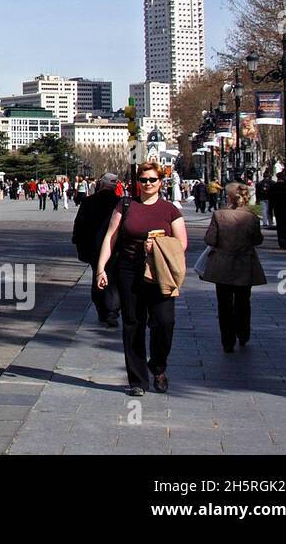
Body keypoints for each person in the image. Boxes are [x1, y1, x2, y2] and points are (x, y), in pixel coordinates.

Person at [97, 162, 188, 397]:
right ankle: (137, 380)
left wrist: (159, 246)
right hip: (129, 271)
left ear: (161, 182)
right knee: (133, 323)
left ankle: (158, 366)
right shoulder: (125, 205)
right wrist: (101, 269)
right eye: (144, 180)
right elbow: (111, 237)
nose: (148, 184)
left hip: (160, 273)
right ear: (138, 182)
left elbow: (182, 243)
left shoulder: (170, 210)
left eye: (152, 180)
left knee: (164, 322)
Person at [201, 182, 266, 353]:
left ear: (228, 197)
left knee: (224, 303)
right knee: (243, 300)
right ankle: (243, 333)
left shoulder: (219, 215)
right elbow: (257, 240)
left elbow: (210, 240)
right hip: (245, 263)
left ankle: (227, 340)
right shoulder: (251, 217)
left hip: (222, 264)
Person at [72, 172, 121, 327]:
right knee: (113, 279)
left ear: (102, 184)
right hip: (115, 247)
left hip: (93, 247)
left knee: (97, 275)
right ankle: (112, 311)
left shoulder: (88, 202)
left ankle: (101, 309)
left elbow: (79, 223)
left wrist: (77, 241)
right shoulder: (120, 203)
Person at [270, 171, 286, 249]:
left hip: (278, 208)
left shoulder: (273, 187)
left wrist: (270, 210)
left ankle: (281, 240)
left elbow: (271, 199)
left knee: (280, 225)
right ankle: (285, 238)